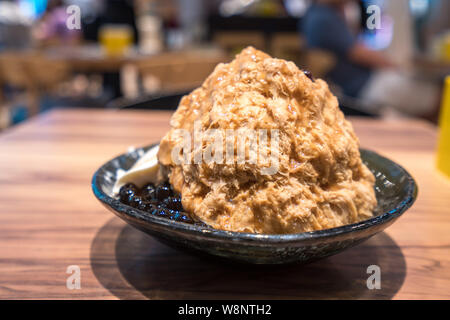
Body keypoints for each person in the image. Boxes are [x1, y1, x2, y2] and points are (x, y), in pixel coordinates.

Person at [302, 0, 439, 117]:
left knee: (426, 90)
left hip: (363, 83)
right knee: (437, 95)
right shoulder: (323, 18)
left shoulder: (319, 14)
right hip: (362, 87)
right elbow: (358, 53)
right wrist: (392, 65)